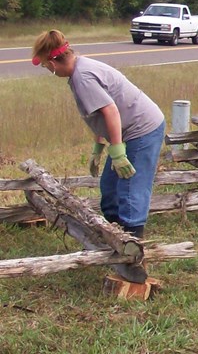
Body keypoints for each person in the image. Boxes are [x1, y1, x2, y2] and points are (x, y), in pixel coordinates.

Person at [31, 30, 165, 238]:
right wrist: (98, 148)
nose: (47, 69)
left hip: (142, 129)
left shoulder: (83, 77)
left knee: (130, 188)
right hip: (126, 131)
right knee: (109, 187)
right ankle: (114, 236)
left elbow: (111, 111)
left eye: (44, 65)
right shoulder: (79, 70)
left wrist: (119, 153)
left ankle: (132, 255)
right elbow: (100, 116)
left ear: (53, 63)